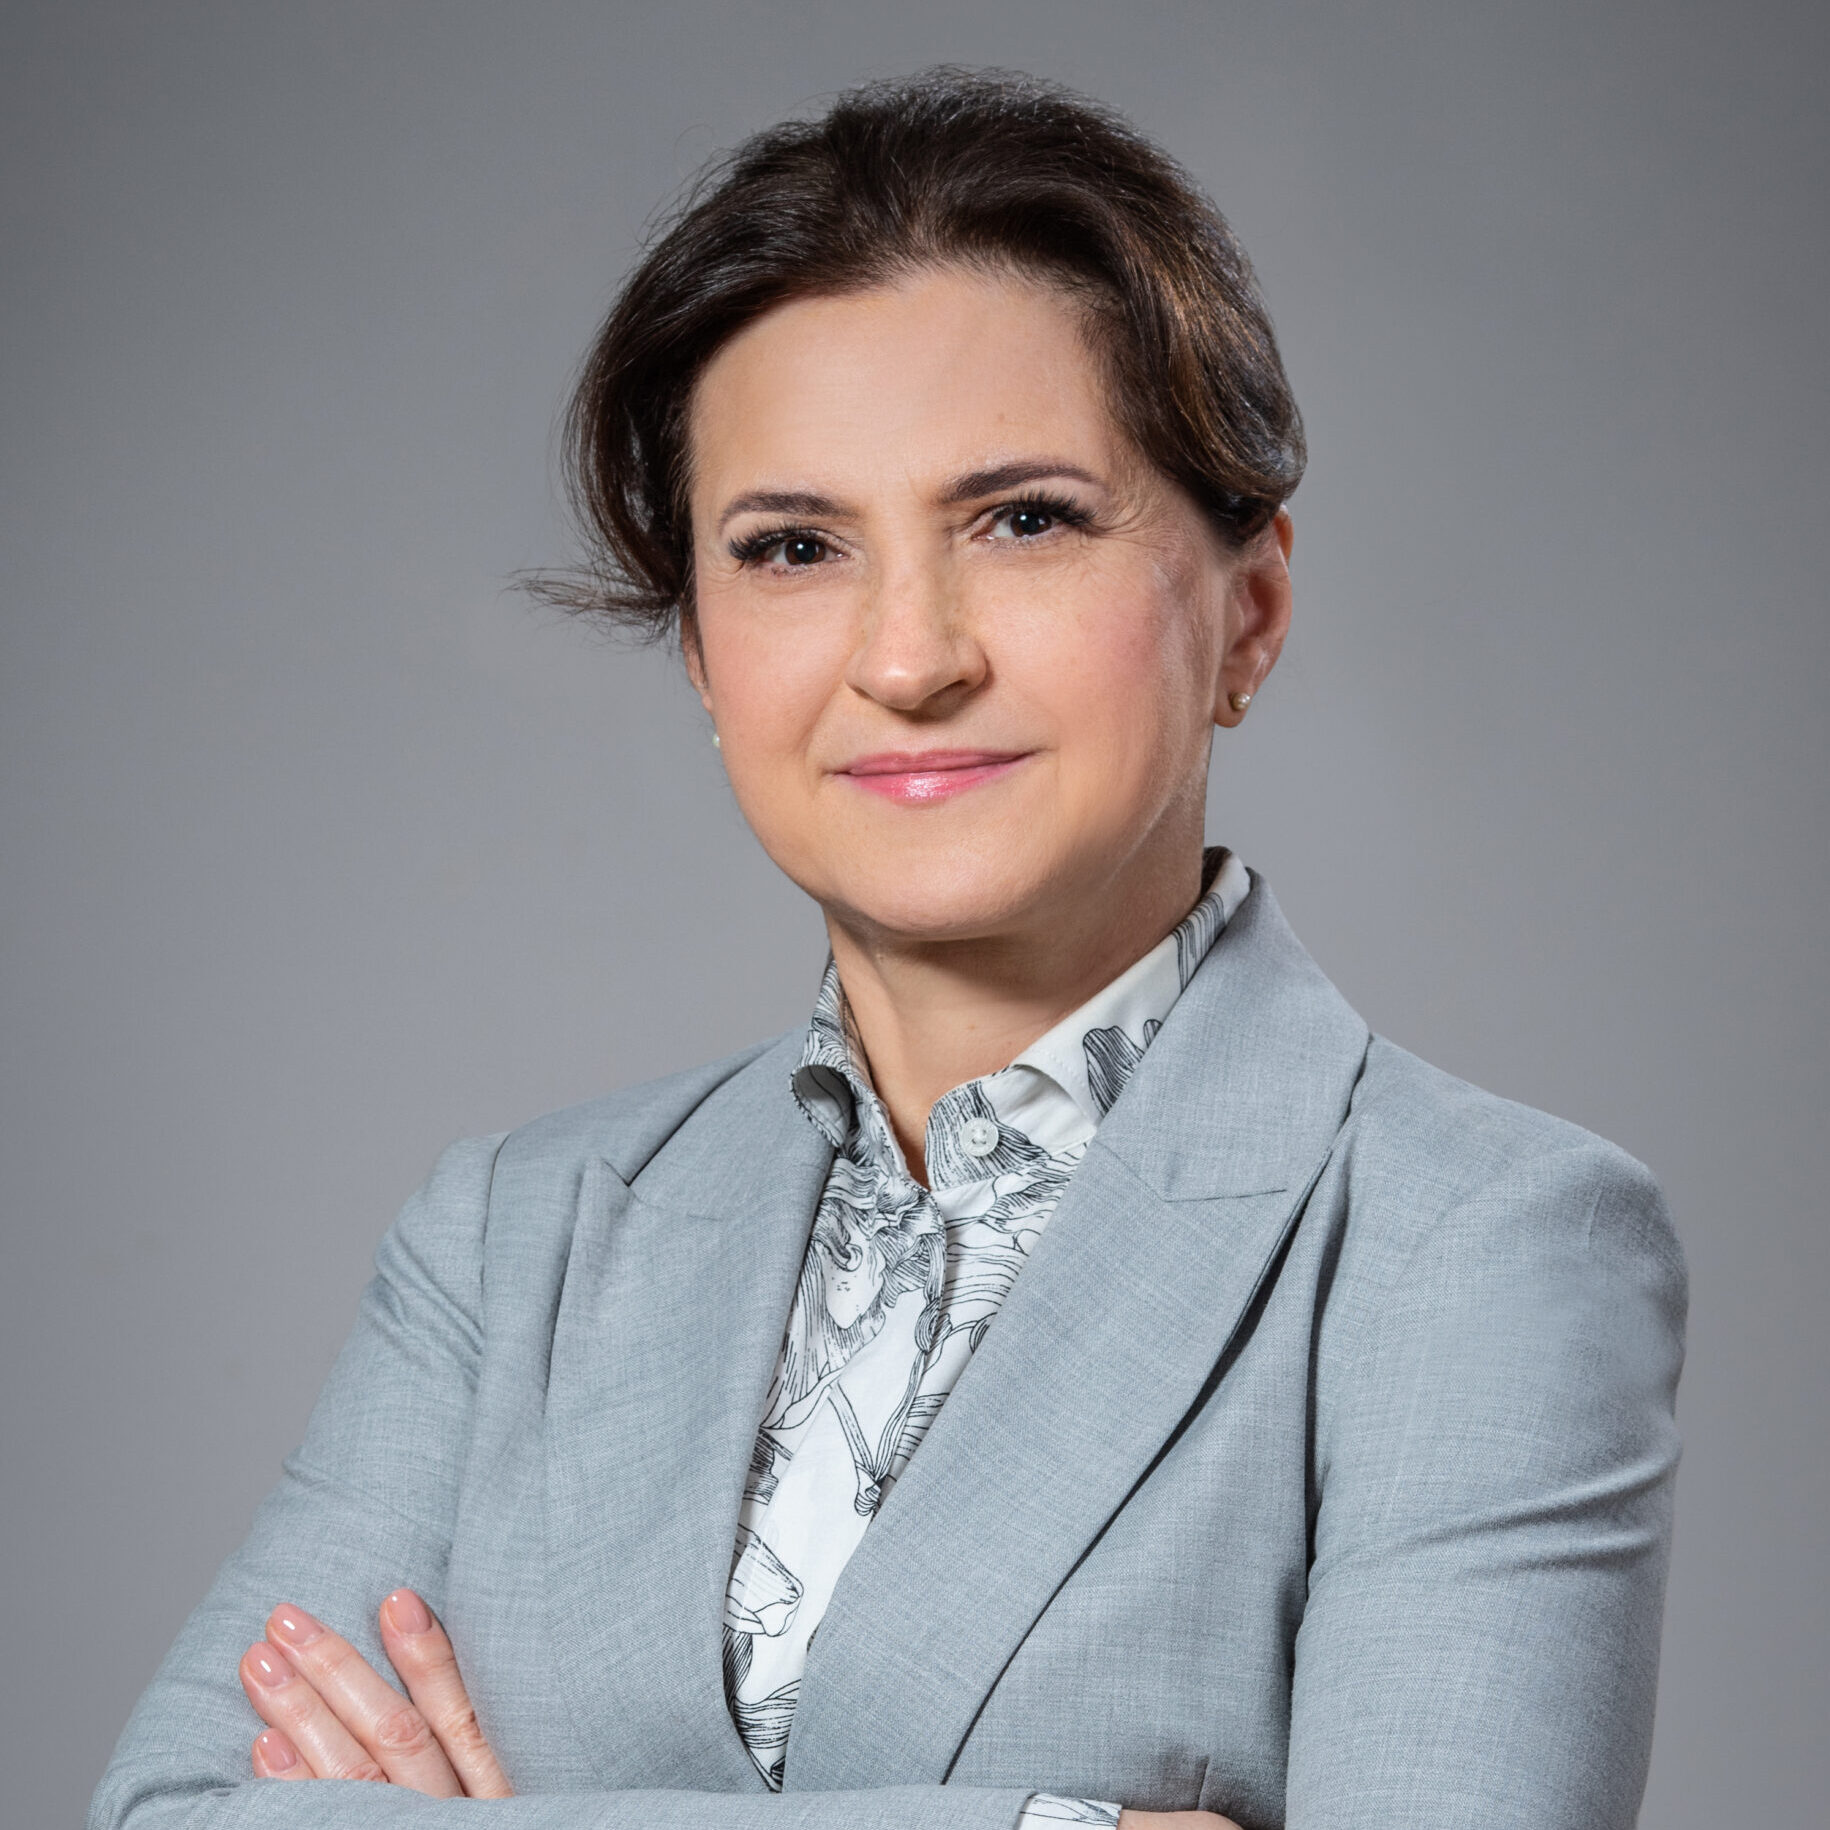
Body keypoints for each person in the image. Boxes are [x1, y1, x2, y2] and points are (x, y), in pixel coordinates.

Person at [89, 69, 1686, 1830]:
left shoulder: (1476, 1246)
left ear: (1249, 612)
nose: (909, 657)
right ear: (703, 656)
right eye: (791, 547)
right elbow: (170, 1815)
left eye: (1025, 519)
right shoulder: (515, 1240)